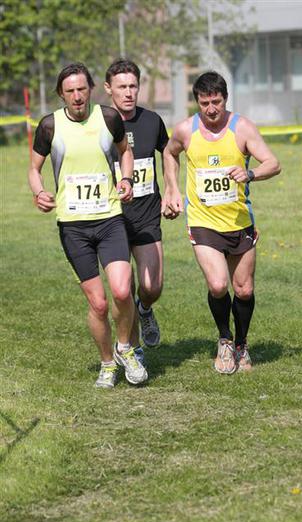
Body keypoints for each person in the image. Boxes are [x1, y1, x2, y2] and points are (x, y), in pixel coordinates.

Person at [28, 62, 148, 388]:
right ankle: (107, 364)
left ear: (91, 89)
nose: (77, 96)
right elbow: (34, 169)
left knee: (122, 290)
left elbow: (125, 152)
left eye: (82, 89)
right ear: (61, 94)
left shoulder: (108, 118)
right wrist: (39, 192)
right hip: (73, 226)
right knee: (98, 303)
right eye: (70, 91)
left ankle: (125, 348)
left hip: (109, 219)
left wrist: (126, 179)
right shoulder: (49, 126)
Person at [162, 71, 281, 374]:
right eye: (205, 103)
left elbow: (273, 163)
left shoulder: (242, 128)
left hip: (239, 220)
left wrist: (250, 173)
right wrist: (171, 188)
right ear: (197, 102)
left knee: (243, 290)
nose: (211, 109)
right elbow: (169, 153)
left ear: (225, 99)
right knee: (217, 285)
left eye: (216, 102)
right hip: (203, 221)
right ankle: (225, 339)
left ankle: (241, 344)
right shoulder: (185, 130)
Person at [104, 59, 169, 350]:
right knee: (123, 290)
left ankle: (145, 309)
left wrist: (172, 189)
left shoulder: (152, 121)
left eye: (133, 86)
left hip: (146, 215)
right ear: (108, 89)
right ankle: (133, 352)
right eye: (122, 87)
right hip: (111, 218)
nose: (129, 92)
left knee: (152, 286)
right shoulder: (100, 124)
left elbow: (169, 154)